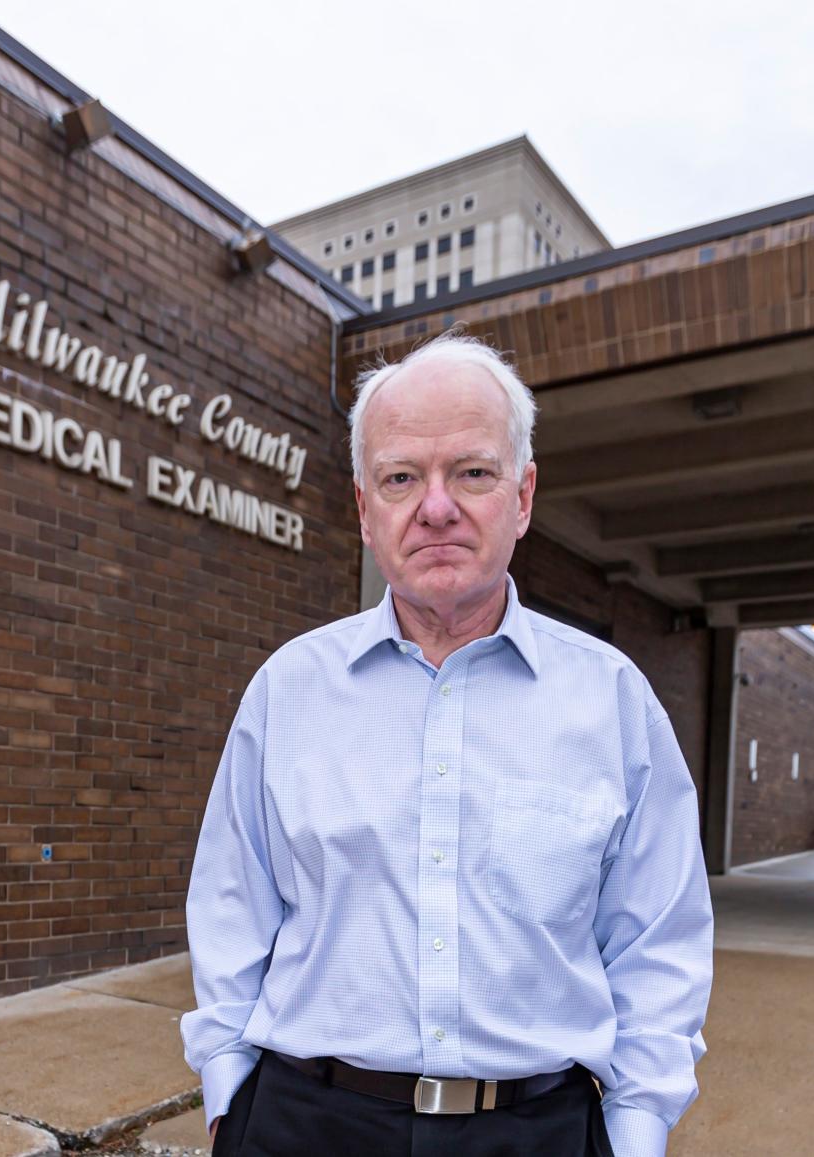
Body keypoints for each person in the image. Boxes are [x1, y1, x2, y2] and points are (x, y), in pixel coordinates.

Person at [180, 332, 713, 1157]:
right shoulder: (288, 690)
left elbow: (659, 937)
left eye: (472, 471)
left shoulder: (612, 701)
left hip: (540, 1131)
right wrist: (227, 1090)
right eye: (401, 477)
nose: (435, 506)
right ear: (364, 509)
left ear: (524, 493)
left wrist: (636, 1131)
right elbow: (230, 902)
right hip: (303, 1123)